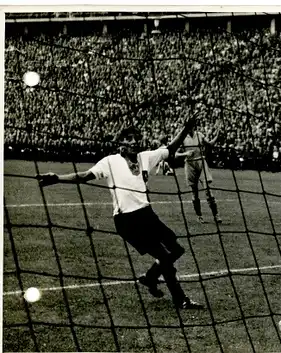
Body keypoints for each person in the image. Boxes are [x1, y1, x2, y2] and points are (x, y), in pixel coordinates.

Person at [36, 116, 203, 310]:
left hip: (147, 215)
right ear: (120, 144)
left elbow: (170, 149)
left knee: (177, 250)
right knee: (165, 257)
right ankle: (180, 299)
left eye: (136, 138)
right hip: (127, 220)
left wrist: (185, 128)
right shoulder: (110, 162)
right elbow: (84, 176)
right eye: (129, 138)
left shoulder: (146, 157)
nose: (134, 142)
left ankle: (150, 278)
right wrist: (57, 178)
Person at [175, 124, 222, 224]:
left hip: (201, 162)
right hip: (189, 164)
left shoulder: (199, 135)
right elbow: (175, 154)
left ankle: (216, 215)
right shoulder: (182, 138)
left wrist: (217, 136)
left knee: (207, 190)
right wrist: (185, 154)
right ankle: (199, 216)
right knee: (194, 192)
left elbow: (210, 145)